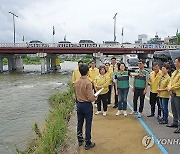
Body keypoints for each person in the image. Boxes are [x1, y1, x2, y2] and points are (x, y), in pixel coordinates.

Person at [74, 64, 97, 150]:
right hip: (86, 105)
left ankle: (80, 139)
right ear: (87, 72)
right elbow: (90, 98)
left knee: (79, 122)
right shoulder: (88, 83)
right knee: (88, 123)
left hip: (79, 104)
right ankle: (88, 142)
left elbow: (76, 95)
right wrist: (95, 97)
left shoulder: (76, 82)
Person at [167, 56, 180, 133]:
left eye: (176, 62)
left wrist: (171, 88)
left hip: (178, 94)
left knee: (179, 110)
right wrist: (169, 87)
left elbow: (178, 84)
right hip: (173, 94)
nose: (174, 63)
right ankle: (175, 122)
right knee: (174, 109)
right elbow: (170, 81)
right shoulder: (175, 72)